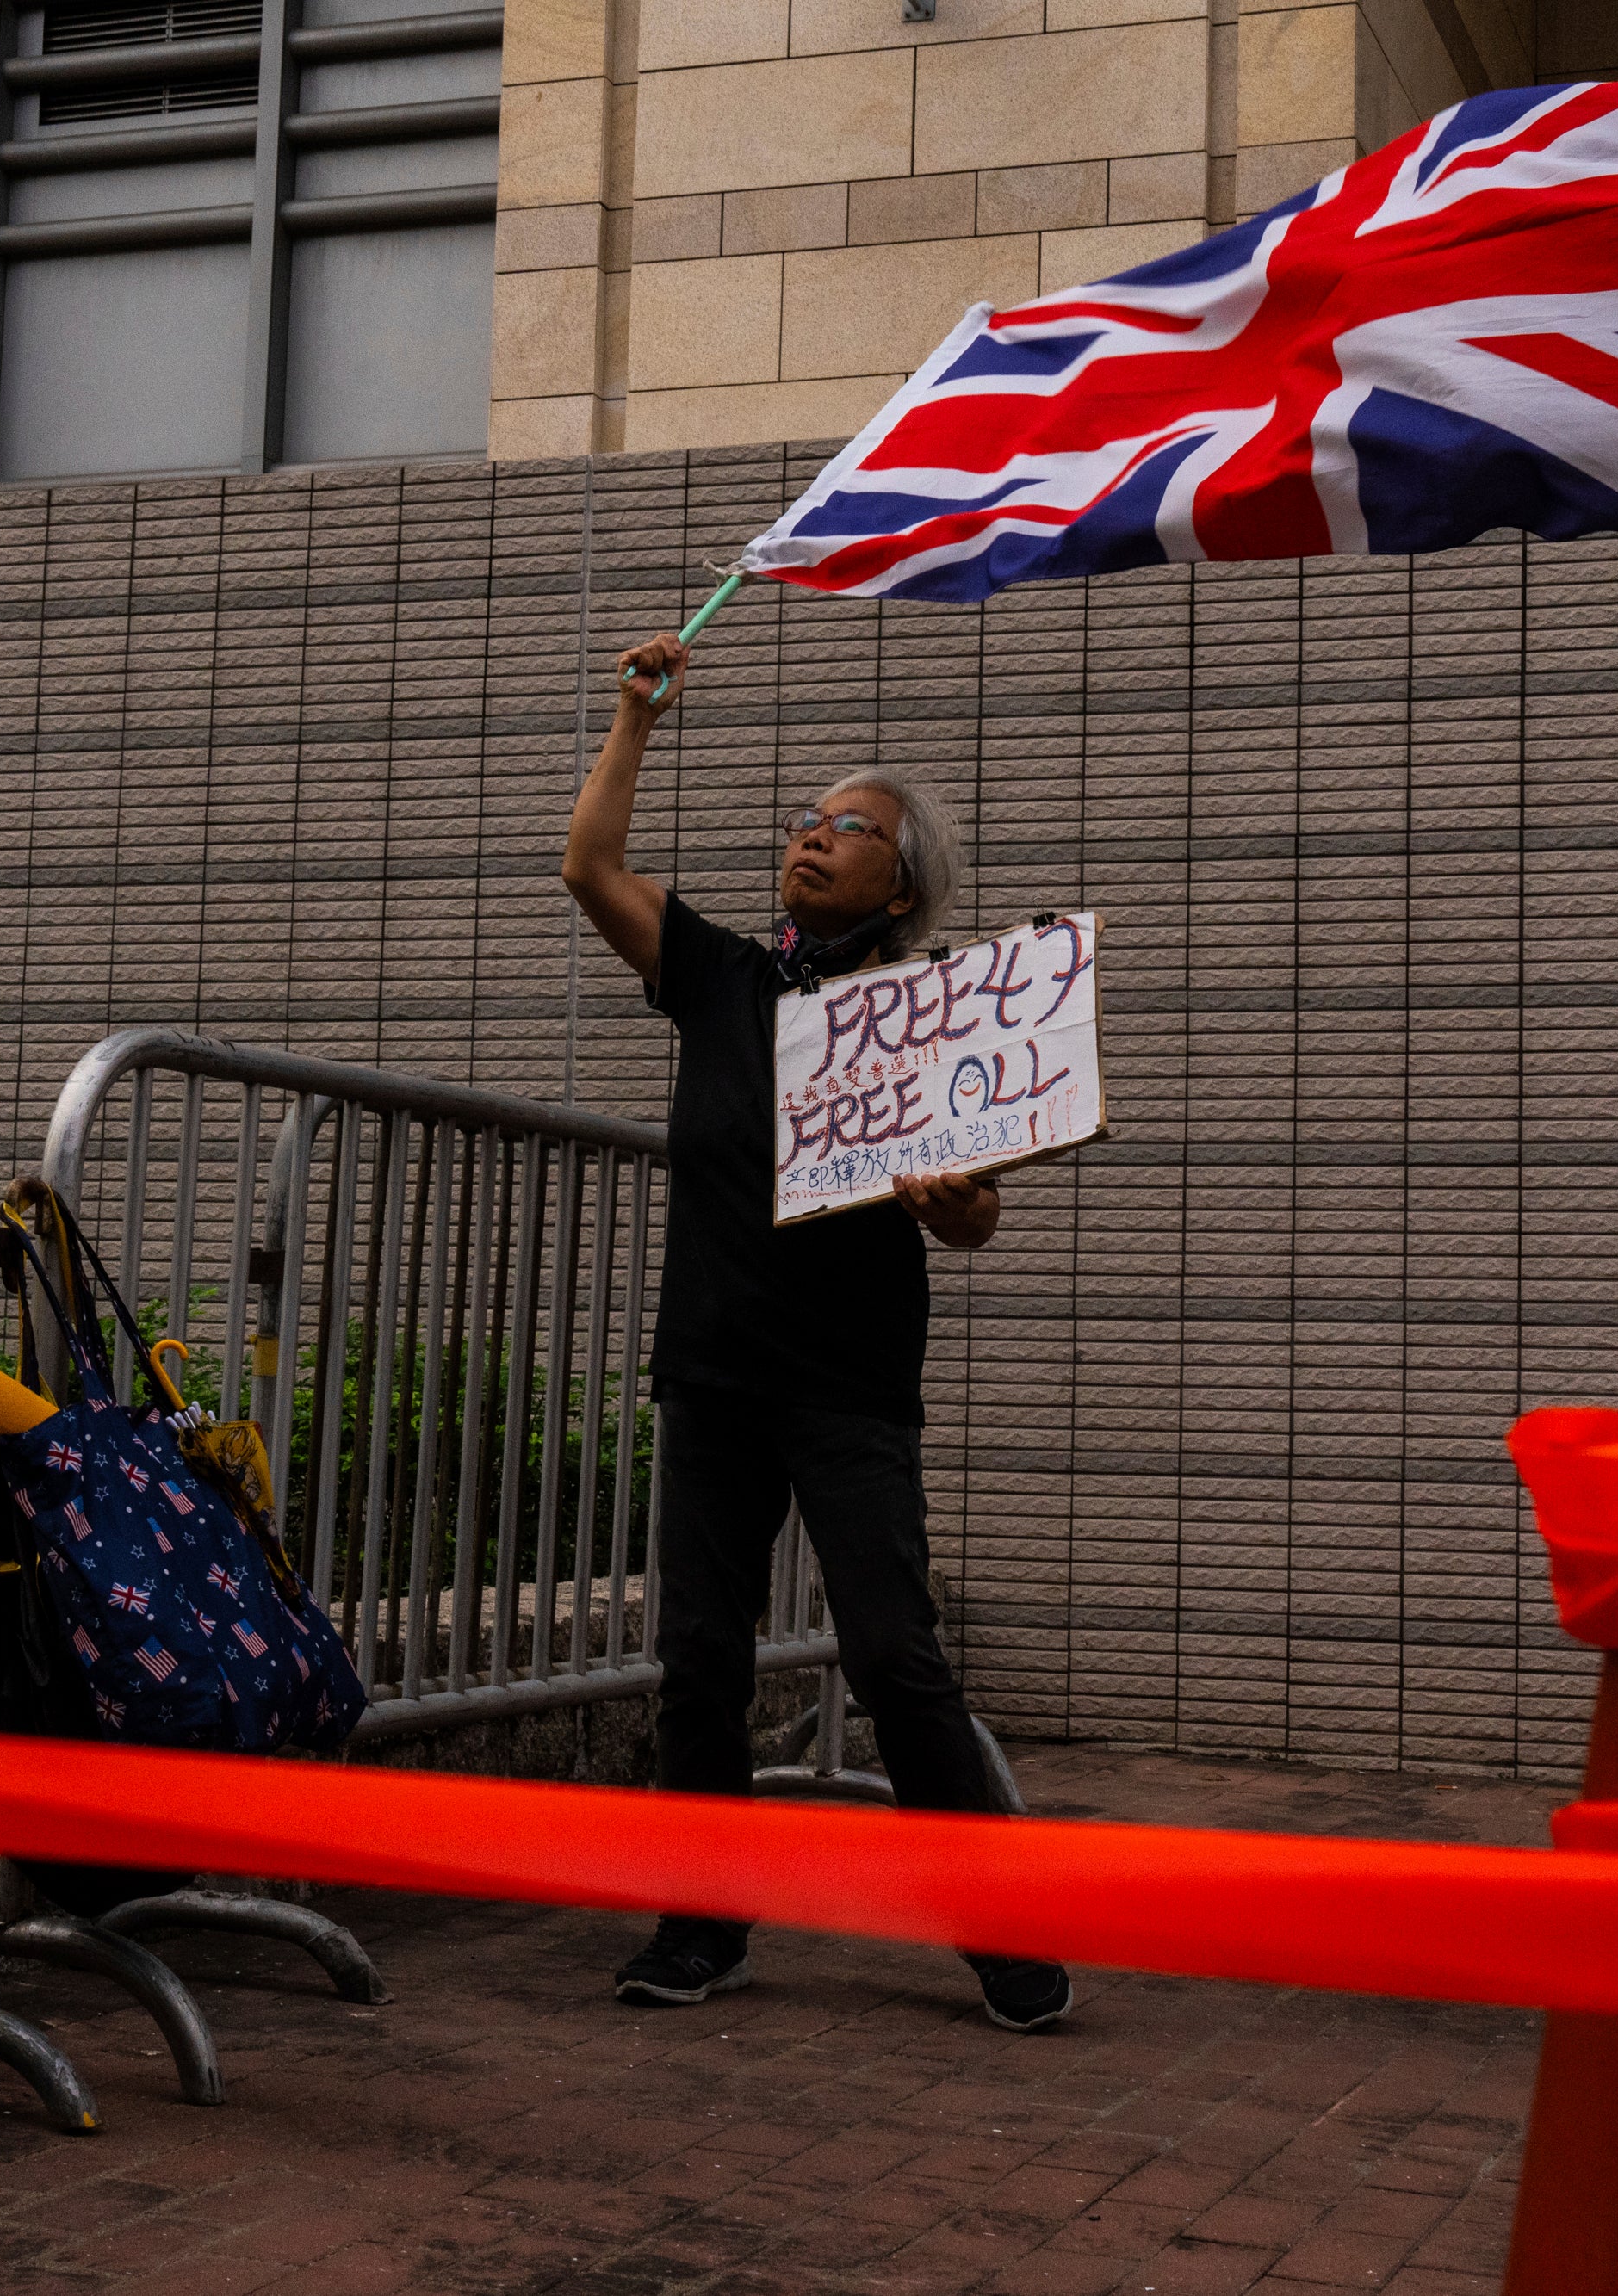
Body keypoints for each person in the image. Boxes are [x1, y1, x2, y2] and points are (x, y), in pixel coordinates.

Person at [560, 628, 1073, 2035]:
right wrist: (634, 720)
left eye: (849, 828)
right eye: (805, 817)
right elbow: (590, 869)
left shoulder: (931, 1020)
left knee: (895, 1652)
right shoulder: (726, 980)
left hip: (849, 1381)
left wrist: (956, 1200)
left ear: (901, 883)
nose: (814, 837)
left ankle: (1003, 1926)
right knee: (701, 1659)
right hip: (714, 1368)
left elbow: (967, 1222)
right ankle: (699, 1928)